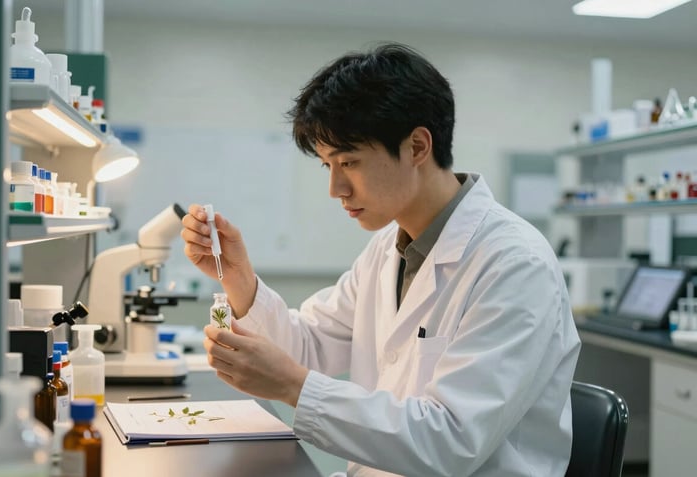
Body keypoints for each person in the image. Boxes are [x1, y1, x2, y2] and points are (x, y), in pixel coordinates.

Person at [181, 43, 580, 477]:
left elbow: (451, 440)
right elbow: (311, 346)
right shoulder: (390, 247)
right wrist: (240, 278)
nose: (336, 188)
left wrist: (294, 387)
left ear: (417, 147)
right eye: (327, 165)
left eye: (348, 162)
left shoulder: (514, 265)